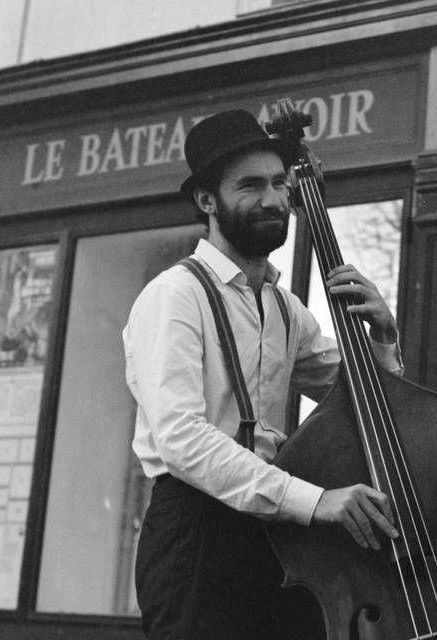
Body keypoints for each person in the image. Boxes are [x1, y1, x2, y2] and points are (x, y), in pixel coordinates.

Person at [123, 109, 404, 640]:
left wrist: (383, 337)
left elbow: (364, 402)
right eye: (250, 186)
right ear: (207, 201)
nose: (274, 199)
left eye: (279, 182)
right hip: (196, 529)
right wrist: (316, 501)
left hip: (277, 535)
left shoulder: (286, 308)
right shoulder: (173, 296)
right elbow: (181, 438)